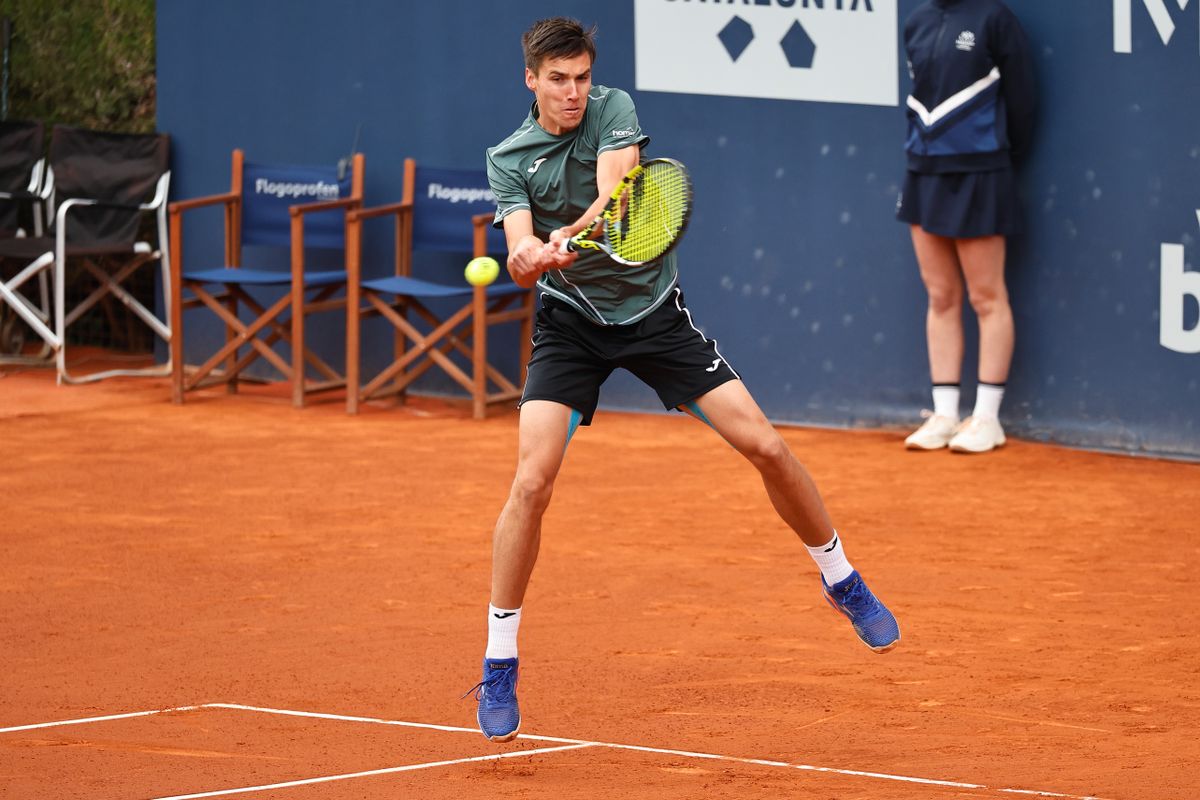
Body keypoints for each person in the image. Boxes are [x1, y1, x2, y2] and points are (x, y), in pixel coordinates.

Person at [467, 17, 900, 744]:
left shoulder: (613, 109)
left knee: (763, 443)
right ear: (532, 80)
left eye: (581, 78)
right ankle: (500, 659)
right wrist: (523, 258)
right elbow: (516, 237)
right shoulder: (508, 157)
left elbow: (614, 194)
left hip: (652, 315)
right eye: (559, 81)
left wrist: (566, 237)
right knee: (531, 483)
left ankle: (840, 576)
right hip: (570, 326)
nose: (574, 93)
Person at [897, 0, 1035, 454]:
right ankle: (944, 414)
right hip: (923, 171)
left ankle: (988, 418)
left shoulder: (995, 18)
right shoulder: (916, 21)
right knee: (940, 295)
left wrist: (993, 160)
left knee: (986, 295)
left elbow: (1023, 104)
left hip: (981, 172)